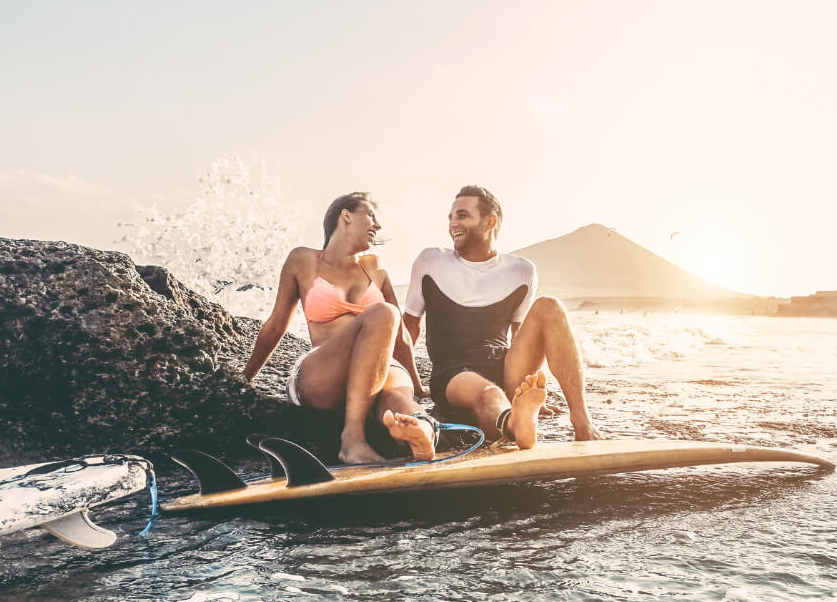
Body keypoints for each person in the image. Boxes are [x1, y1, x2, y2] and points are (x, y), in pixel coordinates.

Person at [402, 185, 602, 449]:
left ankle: (582, 422)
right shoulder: (431, 260)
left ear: (490, 221)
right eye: (450, 217)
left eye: (462, 216)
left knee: (550, 306)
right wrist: (412, 386)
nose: (452, 224)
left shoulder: (522, 270)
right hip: (454, 373)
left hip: (504, 365)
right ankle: (515, 424)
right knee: (487, 393)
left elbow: (522, 337)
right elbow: (409, 328)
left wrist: (530, 386)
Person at [242, 192, 436, 464]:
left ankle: (423, 433)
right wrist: (245, 378)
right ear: (346, 215)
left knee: (400, 403)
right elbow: (276, 325)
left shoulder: (375, 266)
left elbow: (400, 335)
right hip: (325, 372)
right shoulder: (303, 260)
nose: (378, 225)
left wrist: (417, 385)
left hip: (380, 368)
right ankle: (352, 440)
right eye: (371, 215)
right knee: (385, 313)